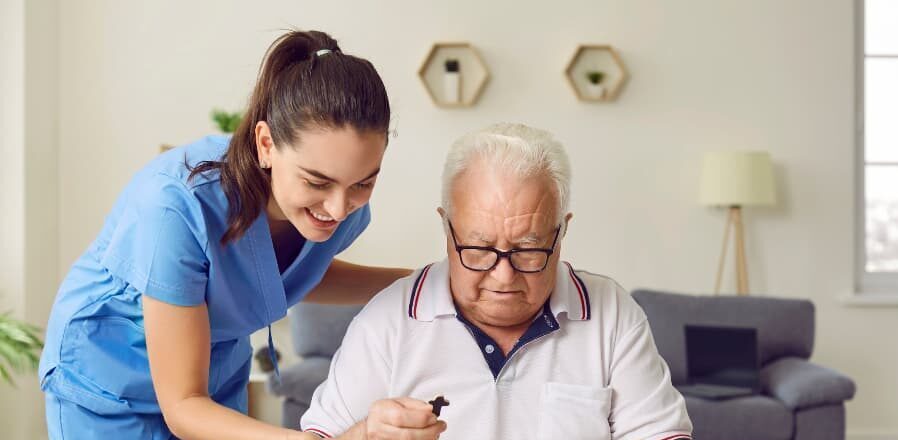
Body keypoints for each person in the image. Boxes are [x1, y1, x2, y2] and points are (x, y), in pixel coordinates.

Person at [38, 30, 410, 440]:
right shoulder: (176, 207)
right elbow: (183, 405)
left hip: (214, 374)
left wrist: (424, 281)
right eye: (317, 182)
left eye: (363, 183)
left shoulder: (339, 206)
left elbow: (287, 276)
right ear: (266, 143)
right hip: (109, 377)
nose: (338, 208)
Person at [298, 123, 693, 440]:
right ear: (446, 229)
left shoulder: (613, 314)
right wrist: (364, 435)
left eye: (528, 249)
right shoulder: (386, 319)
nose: (503, 276)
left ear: (562, 232)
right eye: (479, 248)